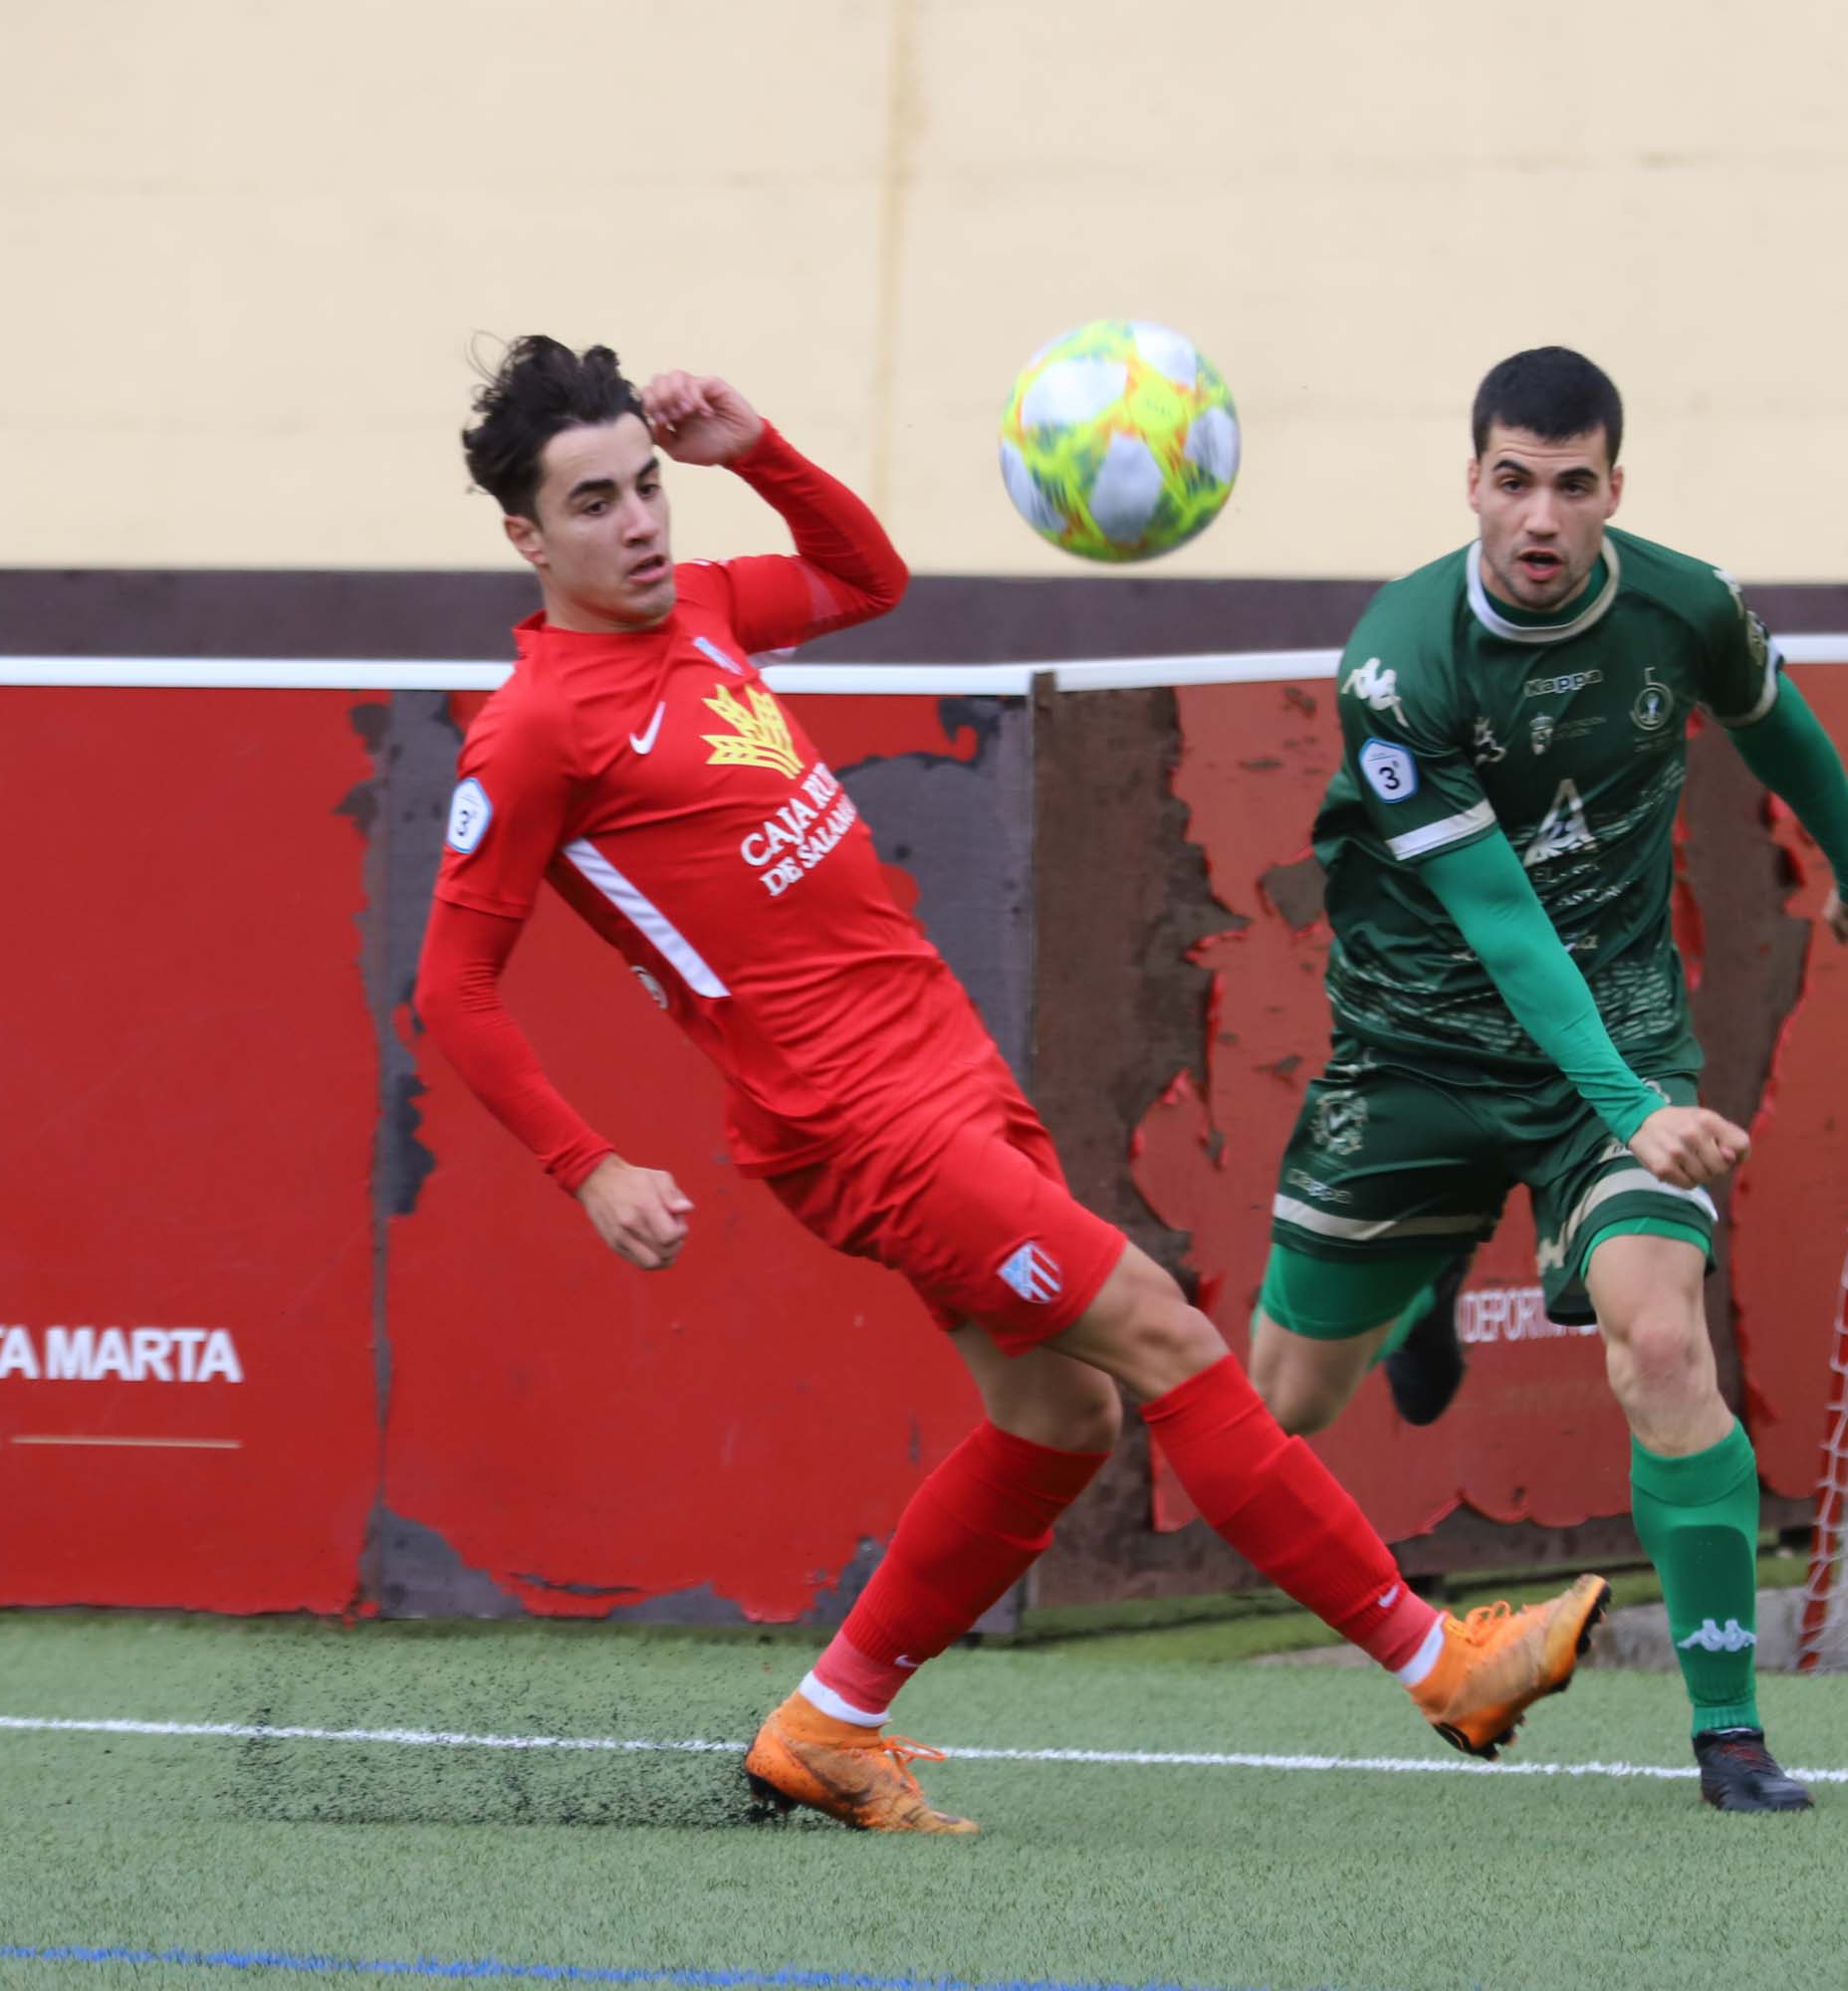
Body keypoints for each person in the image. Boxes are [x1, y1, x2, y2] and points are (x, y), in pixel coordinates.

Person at [412, 336, 1608, 1836]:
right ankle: (1443, 1665)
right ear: (526, 536)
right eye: (594, 505)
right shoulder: (531, 733)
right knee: (1166, 1337)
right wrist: (585, 1163)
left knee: (1061, 1419)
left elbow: (867, 578)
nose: (643, 524)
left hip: (942, 1062)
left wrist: (756, 448)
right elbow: (448, 991)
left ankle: (827, 1726)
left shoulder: (705, 605)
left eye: (648, 487)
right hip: (852, 1123)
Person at [1244, 346, 1848, 1813]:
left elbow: (1777, 722)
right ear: (1471, 483)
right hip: (1417, 1046)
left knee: (1665, 1344)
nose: (1540, 517)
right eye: (1513, 483)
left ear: (1617, 489)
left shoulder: (1683, 603)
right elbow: (1497, 920)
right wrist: (1642, 1112)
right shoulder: (1397, 664)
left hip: (1613, 1034)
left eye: (1572, 485)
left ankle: (1731, 1732)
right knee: (1284, 1403)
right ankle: (1422, 1287)